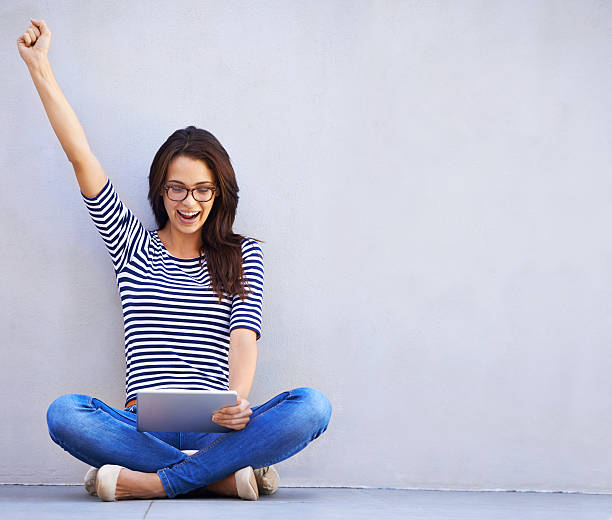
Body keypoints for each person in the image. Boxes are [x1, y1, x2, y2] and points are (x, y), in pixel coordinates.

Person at [17, 18, 332, 502]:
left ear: (218, 193)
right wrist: (40, 67)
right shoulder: (130, 242)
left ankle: (150, 483)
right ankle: (220, 478)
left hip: (216, 426)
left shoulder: (242, 254)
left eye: (202, 189)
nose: (189, 202)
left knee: (312, 407)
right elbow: (82, 158)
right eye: (178, 188)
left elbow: (245, 337)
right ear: (160, 191)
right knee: (64, 414)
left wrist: (236, 405)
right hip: (143, 425)